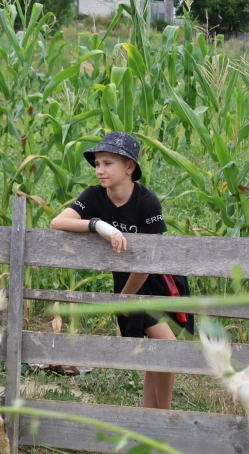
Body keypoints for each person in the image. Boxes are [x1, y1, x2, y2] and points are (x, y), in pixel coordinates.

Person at [49, 131, 192, 410]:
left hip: (157, 283)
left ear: (130, 167)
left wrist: (122, 300)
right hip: (130, 288)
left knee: (162, 351)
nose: (99, 170)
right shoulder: (93, 197)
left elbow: (149, 263)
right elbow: (58, 222)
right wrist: (98, 225)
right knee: (163, 349)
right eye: (97, 164)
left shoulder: (146, 202)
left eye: (107, 163)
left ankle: (156, 421)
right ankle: (157, 424)